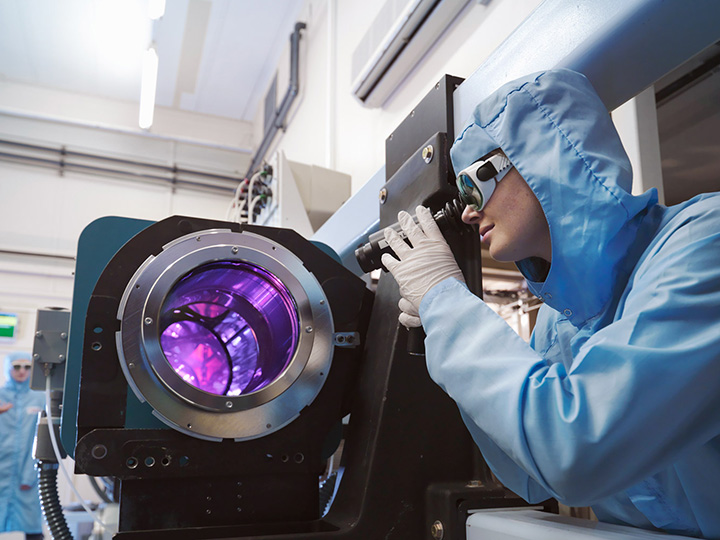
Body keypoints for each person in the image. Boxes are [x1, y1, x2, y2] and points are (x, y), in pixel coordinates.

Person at [381, 68, 720, 538]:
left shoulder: (704, 244)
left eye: (472, 186)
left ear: (546, 159)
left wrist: (449, 308)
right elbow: (526, 476)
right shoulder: (559, 322)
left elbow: (579, 450)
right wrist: (443, 327)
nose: (466, 210)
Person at [0, 352, 47, 539]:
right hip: (2, 470)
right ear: (7, 368)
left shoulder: (39, 398)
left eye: (27, 367)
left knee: (33, 527)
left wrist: (32, 473)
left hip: (29, 471)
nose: (22, 371)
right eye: (16, 367)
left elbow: (45, 438)